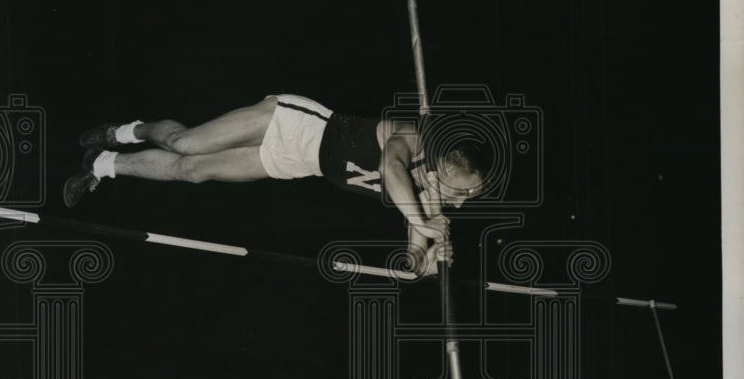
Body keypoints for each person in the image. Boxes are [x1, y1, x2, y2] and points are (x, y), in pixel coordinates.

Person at [63, 94, 494, 276]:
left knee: (192, 172)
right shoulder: (413, 139)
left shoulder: (428, 200)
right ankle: (127, 131)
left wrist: (427, 260)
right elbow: (392, 169)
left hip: (295, 162)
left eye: (469, 197)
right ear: (442, 165)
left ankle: (102, 165)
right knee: (187, 142)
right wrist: (425, 220)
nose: (460, 202)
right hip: (293, 122)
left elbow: (410, 260)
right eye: (461, 191)